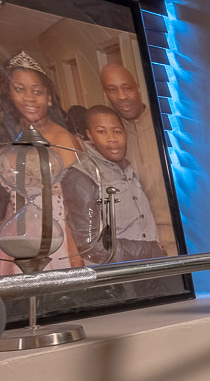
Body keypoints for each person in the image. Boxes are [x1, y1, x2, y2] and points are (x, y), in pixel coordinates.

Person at [1, 54, 84, 270]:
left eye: (37, 91)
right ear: (9, 94)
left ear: (48, 97)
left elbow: (77, 207)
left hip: (55, 242)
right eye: (19, 89)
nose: (29, 98)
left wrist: (75, 255)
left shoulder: (63, 140)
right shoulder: (11, 136)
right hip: (14, 239)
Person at [61, 106, 165, 266]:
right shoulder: (80, 176)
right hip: (119, 280)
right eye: (102, 132)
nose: (112, 139)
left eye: (117, 131)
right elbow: (91, 246)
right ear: (90, 135)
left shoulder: (127, 166)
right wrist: (150, 250)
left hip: (149, 271)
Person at [100, 63, 174, 253]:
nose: (122, 96)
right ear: (106, 95)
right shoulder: (111, 140)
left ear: (138, 88)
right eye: (113, 90)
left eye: (127, 88)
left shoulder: (168, 122)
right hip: (146, 244)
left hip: (183, 232)